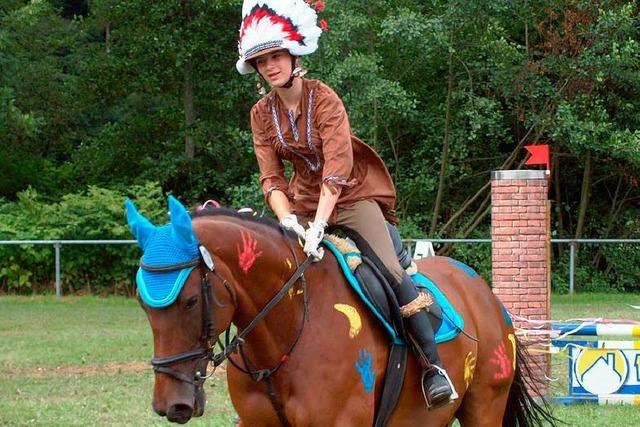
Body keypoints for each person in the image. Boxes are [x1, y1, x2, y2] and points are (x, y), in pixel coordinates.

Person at [236, 0, 457, 409]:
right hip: (299, 205)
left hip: (351, 198)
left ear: (293, 54)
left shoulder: (325, 100)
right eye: (261, 60)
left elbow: (337, 172)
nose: (270, 66)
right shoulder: (259, 114)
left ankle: (433, 367)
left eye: (276, 56)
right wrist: (287, 222)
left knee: (391, 268)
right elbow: (271, 178)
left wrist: (319, 227)